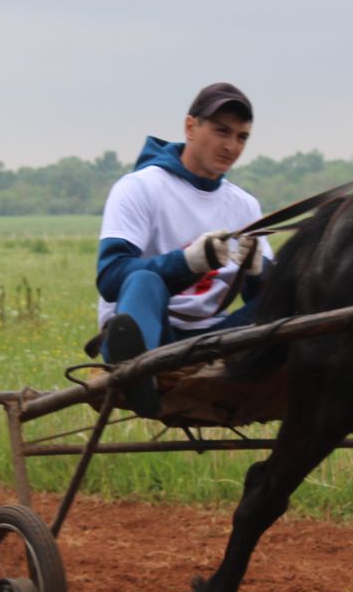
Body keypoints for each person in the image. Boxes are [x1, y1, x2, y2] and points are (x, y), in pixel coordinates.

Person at [95, 82, 272, 416]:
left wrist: (258, 270)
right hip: (156, 334)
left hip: (216, 341)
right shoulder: (139, 188)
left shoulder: (246, 206)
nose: (231, 146)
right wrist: (187, 263)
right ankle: (135, 372)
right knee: (144, 280)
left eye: (241, 137)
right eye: (222, 131)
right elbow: (110, 277)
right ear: (191, 127)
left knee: (286, 298)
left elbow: (263, 300)